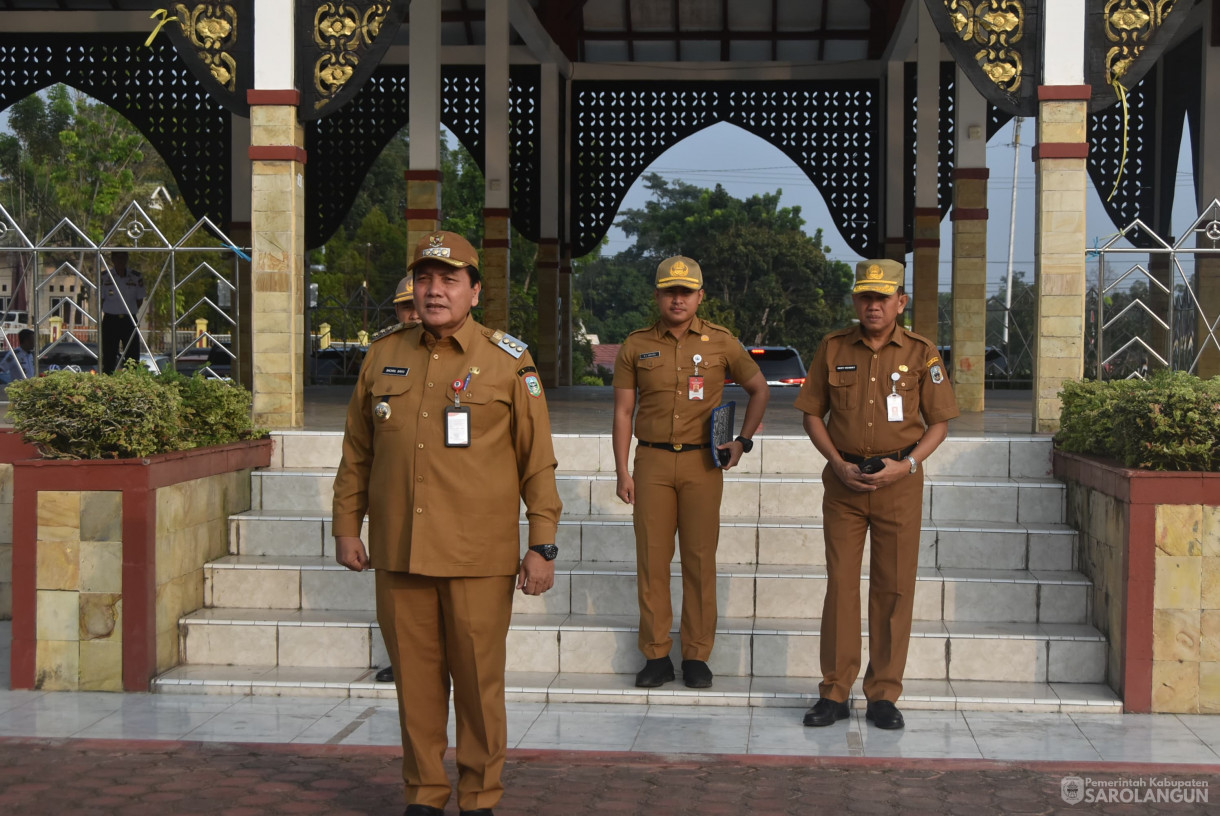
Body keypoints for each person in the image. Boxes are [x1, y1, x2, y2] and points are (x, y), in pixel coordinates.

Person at [332, 230, 562, 816]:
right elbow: (357, 450)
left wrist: (543, 544)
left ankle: (480, 797)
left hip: (477, 556)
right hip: (401, 552)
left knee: (480, 688)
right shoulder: (384, 355)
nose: (435, 291)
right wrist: (345, 525)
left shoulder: (509, 361)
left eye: (449, 279)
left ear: (475, 291)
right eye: (426, 279)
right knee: (416, 686)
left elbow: (537, 460)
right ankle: (424, 795)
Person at [795, 259, 959, 731]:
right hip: (844, 482)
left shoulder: (922, 352)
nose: (872, 305)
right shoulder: (832, 348)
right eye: (865, 296)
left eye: (882, 297)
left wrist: (906, 466)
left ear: (900, 303)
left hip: (899, 483)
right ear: (855, 301)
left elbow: (940, 422)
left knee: (893, 589)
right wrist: (836, 463)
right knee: (842, 587)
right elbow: (811, 414)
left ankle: (884, 694)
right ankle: (835, 691)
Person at [613, 255, 770, 689]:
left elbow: (759, 389)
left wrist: (743, 441)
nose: (677, 299)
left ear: (700, 296)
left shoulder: (722, 342)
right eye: (669, 290)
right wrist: (622, 470)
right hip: (653, 461)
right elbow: (624, 411)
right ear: (658, 295)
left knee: (700, 561)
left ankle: (697, 655)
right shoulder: (636, 344)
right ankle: (657, 655)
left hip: (704, 462)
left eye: (686, 291)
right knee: (653, 561)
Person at [373, 273, 424, 685]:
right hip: (398, 502)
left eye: (416, 305)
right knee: (402, 599)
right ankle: (402, 658)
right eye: (405, 307)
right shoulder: (381, 355)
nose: (413, 314)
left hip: (450, 506)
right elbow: (358, 449)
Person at [100, 251, 146, 374]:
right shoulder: (104, 277)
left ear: (127, 258)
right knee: (109, 355)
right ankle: (107, 381)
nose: (121, 260)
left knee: (132, 357)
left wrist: (128, 311)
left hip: (128, 320)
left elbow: (139, 300)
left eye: (123, 257)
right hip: (111, 320)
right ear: (113, 259)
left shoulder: (135, 276)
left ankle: (132, 383)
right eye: (118, 257)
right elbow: (100, 299)